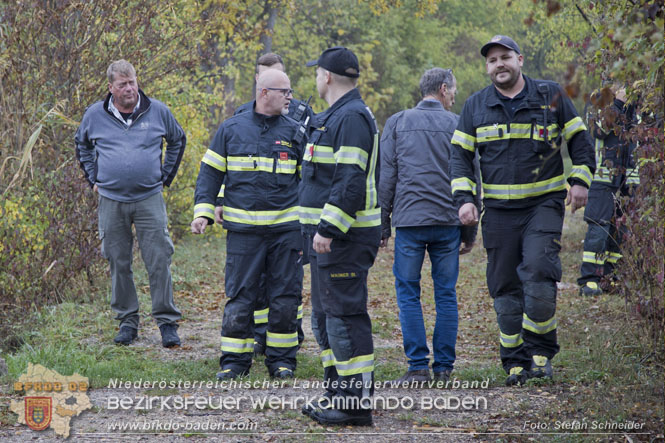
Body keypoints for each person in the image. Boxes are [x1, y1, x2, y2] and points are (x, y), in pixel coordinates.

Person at [450, 35, 595, 386]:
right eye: (492, 60)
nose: (498, 64)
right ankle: (514, 360)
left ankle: (540, 352)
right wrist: (465, 198)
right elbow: (460, 157)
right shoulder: (475, 105)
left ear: (520, 59)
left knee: (539, 276)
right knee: (504, 287)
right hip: (499, 212)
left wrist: (579, 180)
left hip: (542, 205)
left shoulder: (550, 95)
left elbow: (580, 141)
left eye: (505, 57)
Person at [191, 69, 303, 381]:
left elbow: (309, 181)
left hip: (286, 232)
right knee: (241, 296)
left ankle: (282, 361)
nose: (290, 97)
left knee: (285, 297)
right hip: (244, 233)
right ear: (265, 92)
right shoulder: (231, 130)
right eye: (285, 91)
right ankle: (234, 362)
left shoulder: (296, 131)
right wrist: (203, 212)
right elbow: (210, 174)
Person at [379, 68, 480, 385]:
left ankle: (418, 367)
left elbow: (386, 179)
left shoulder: (397, 123)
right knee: (446, 294)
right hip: (448, 222)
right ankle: (444, 368)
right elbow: (472, 179)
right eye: (454, 90)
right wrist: (469, 231)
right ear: (443, 88)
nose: (455, 97)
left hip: (409, 222)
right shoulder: (458, 124)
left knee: (408, 293)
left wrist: (382, 225)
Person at [75, 59, 186, 347]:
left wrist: (165, 177)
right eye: (122, 84)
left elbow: (177, 140)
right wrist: (93, 178)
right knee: (117, 260)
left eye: (132, 82)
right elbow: (82, 144)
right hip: (111, 199)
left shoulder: (157, 111)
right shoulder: (94, 115)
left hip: (149, 197)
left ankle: (167, 323)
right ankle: (127, 322)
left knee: (159, 258)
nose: (129, 88)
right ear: (110, 87)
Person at [299, 46, 380, 427]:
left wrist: (329, 228)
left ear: (327, 77)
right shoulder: (333, 117)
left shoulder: (351, 118)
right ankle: (338, 393)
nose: (316, 79)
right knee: (327, 320)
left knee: (345, 319)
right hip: (326, 240)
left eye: (317, 73)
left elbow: (350, 182)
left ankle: (355, 405)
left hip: (343, 240)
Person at [228, 52, 313, 355]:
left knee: (287, 284)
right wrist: (223, 201)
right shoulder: (239, 118)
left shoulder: (302, 116)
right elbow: (232, 166)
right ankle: (260, 336)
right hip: (250, 223)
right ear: (259, 83)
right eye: (264, 74)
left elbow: (310, 171)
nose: (286, 94)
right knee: (255, 284)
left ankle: (290, 336)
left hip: (288, 220)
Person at [578, 85, 639, 296]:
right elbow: (597, 130)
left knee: (622, 232)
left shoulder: (644, 101)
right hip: (603, 178)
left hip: (631, 179)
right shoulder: (598, 97)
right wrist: (619, 103)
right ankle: (591, 279)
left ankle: (612, 279)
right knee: (599, 228)